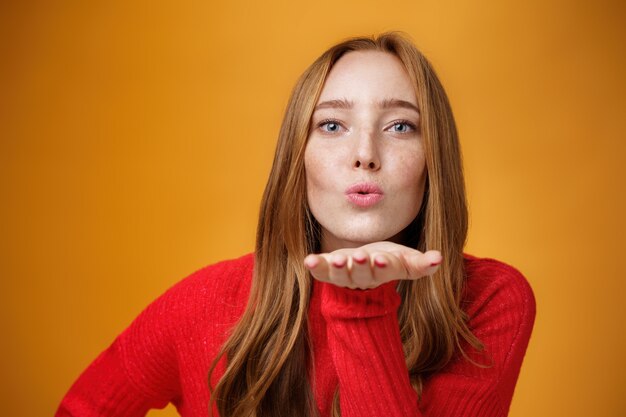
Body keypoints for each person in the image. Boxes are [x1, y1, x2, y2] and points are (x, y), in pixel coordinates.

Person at [56, 32, 535, 417]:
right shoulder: (204, 303)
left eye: (400, 126)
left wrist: (362, 303)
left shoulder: (490, 301)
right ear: (296, 157)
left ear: (435, 160)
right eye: (331, 125)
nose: (365, 154)